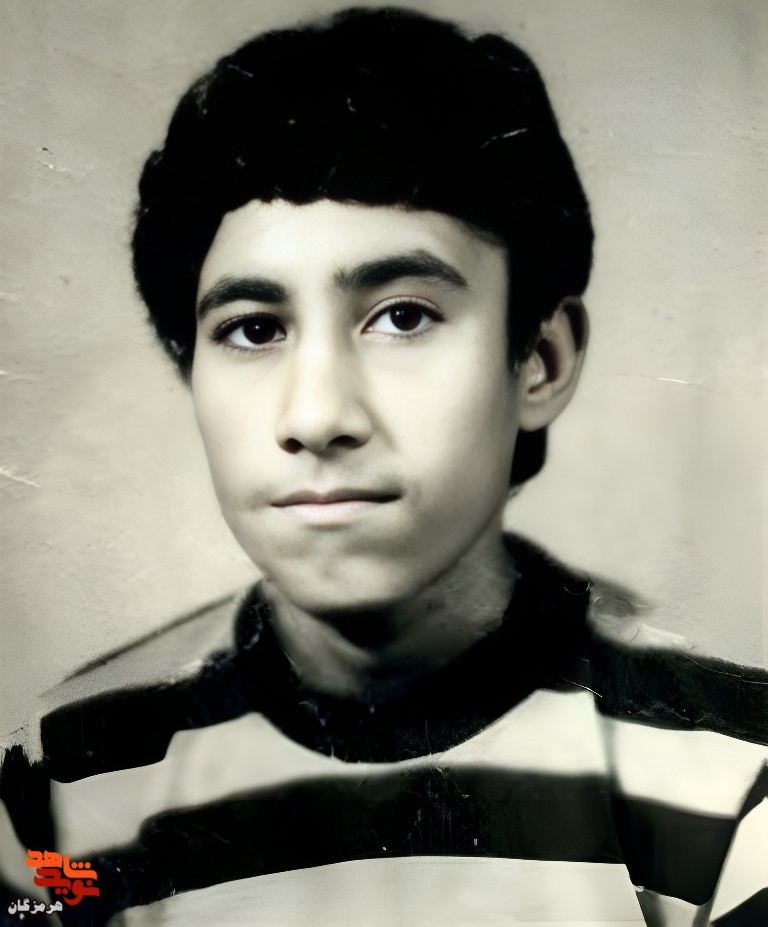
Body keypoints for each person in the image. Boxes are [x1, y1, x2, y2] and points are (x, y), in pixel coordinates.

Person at [1, 8, 766, 926]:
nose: (318, 416)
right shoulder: (61, 788)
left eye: (403, 316)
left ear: (541, 359)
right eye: (253, 328)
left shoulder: (736, 776)